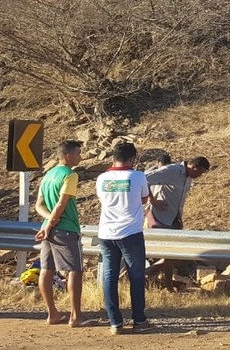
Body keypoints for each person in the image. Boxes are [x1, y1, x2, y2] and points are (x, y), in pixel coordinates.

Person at [96, 142, 151, 335]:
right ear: (132, 159)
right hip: (131, 233)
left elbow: (102, 199)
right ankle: (139, 320)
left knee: (110, 277)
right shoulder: (137, 176)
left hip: (106, 233)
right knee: (136, 276)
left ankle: (115, 322)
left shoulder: (102, 178)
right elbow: (145, 198)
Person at [34, 140, 85, 327]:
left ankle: (52, 314)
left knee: (46, 269)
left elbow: (39, 205)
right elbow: (61, 204)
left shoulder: (48, 175)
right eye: (78, 153)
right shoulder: (70, 175)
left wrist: (48, 222)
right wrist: (53, 222)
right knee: (75, 270)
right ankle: (76, 316)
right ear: (69, 156)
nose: (81, 156)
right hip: (66, 229)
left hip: (49, 229)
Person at [144, 156, 210, 287]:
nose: (199, 176)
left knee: (174, 253)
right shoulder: (171, 171)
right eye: (199, 172)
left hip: (174, 219)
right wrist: (152, 200)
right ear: (193, 167)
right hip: (159, 218)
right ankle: (152, 278)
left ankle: (160, 279)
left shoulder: (188, 177)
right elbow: (144, 179)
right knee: (168, 252)